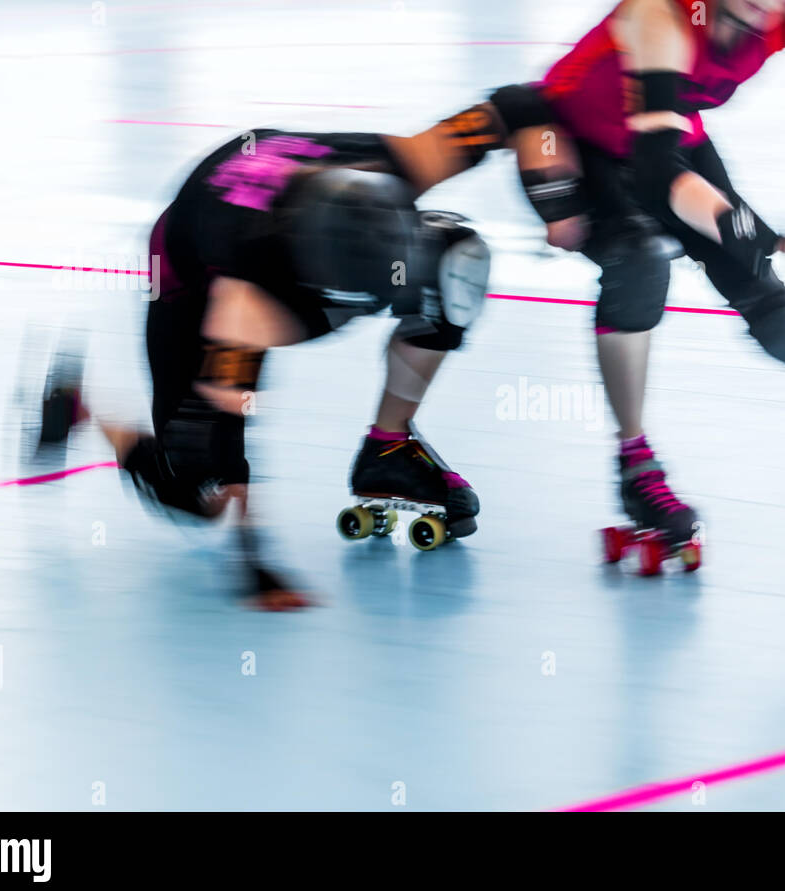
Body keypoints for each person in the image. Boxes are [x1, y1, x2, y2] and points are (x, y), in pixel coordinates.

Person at [489, 0, 785, 560]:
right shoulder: (662, 14)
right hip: (574, 145)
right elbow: (653, 172)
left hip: (667, 140)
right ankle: (635, 462)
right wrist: (736, 225)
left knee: (777, 309)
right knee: (639, 266)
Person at [31, 105, 550, 608]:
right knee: (193, 483)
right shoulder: (247, 301)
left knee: (453, 263)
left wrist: (563, 200)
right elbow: (227, 442)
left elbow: (517, 106)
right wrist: (255, 565)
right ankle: (81, 406)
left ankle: (388, 445)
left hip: (298, 214)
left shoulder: (404, 162)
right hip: (189, 263)